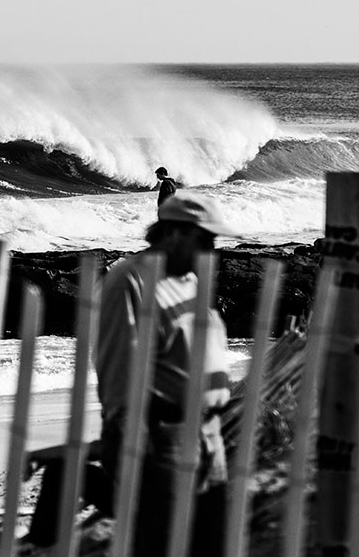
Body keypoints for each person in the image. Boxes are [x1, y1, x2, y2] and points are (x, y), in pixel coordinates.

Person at [95, 192, 238, 557]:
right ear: (174, 233)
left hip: (207, 434)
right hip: (161, 436)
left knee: (209, 543)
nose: (212, 248)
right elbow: (118, 368)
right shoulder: (132, 279)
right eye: (204, 239)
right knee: (164, 543)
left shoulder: (190, 280)